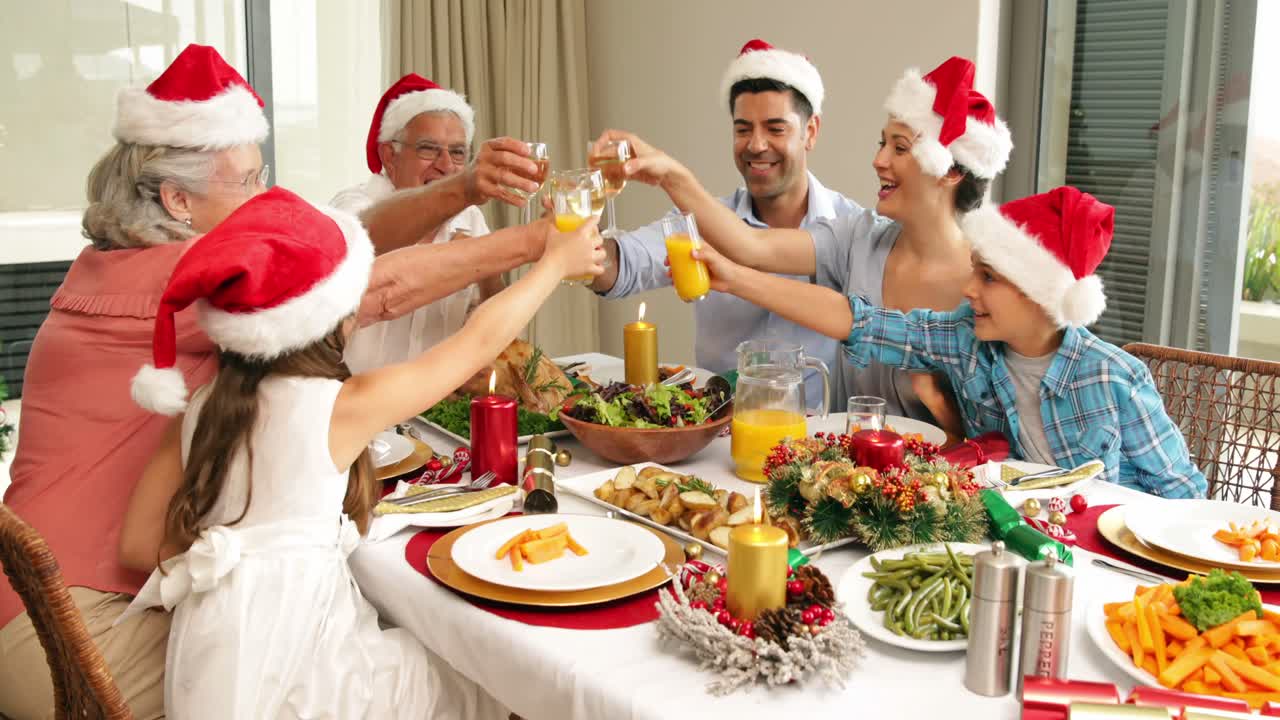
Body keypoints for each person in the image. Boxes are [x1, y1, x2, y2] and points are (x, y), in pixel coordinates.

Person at [0, 44, 539, 719]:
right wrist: (543, 246)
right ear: (177, 198)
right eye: (249, 181)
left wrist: (464, 192)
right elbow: (373, 283)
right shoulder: (189, 284)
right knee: (399, 643)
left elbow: (342, 241)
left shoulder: (108, 264)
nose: (265, 199)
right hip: (71, 632)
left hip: (30, 596)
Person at [114, 186, 603, 717]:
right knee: (485, 671)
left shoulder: (200, 405)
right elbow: (477, 345)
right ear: (329, 317)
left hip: (211, 660)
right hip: (309, 664)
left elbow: (139, 547)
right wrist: (554, 264)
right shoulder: (336, 406)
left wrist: (242, 557)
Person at [688, 186, 1207, 498]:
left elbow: (1184, 498)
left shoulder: (1114, 377)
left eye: (988, 278)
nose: (968, 288)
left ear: (1039, 293)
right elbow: (860, 322)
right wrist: (735, 277)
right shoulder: (965, 341)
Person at [600, 56, 1012, 436]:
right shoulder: (858, 237)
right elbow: (749, 246)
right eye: (881, 143)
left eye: (900, 148)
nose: (879, 159)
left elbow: (1001, 435)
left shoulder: (985, 285)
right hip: (838, 473)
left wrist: (944, 408)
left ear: (950, 171)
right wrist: (672, 177)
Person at [590, 39, 863, 410]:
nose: (756, 144)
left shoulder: (851, 229)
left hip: (815, 442)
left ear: (811, 131)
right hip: (719, 442)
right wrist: (575, 230)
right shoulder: (698, 222)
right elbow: (620, 268)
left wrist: (672, 176)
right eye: (743, 129)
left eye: (776, 128)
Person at [333, 74, 504, 372]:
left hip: (435, 406)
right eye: (428, 149)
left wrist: (488, 263)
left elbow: (494, 318)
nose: (447, 165)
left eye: (458, 152)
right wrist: (468, 257)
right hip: (357, 402)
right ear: (390, 156)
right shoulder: (352, 208)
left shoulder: (471, 218)